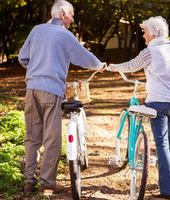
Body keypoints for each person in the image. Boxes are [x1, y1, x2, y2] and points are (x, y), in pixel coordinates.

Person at [18, 0, 105, 195]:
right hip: (51, 91)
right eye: (72, 14)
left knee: (32, 137)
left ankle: (28, 182)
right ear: (63, 14)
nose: (73, 19)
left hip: (31, 89)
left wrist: (36, 70)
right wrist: (99, 65)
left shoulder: (36, 30)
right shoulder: (65, 36)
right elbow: (83, 56)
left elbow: (22, 58)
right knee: (52, 138)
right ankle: (47, 184)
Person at [106, 16, 170, 199]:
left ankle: (167, 191)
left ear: (153, 33)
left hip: (158, 102)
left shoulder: (150, 51)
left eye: (144, 32)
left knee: (161, 143)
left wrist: (113, 67)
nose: (143, 35)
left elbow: (131, 66)